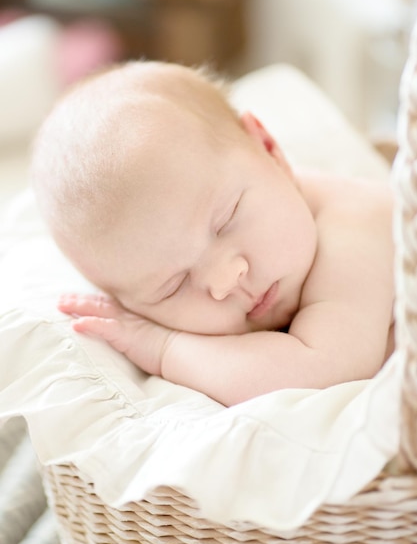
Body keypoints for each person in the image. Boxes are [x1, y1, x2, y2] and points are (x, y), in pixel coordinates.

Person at [31, 60, 395, 407]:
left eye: (225, 222)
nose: (225, 281)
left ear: (269, 150)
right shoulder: (265, 213)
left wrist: (163, 347)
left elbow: (319, 371)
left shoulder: (359, 228)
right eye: (172, 286)